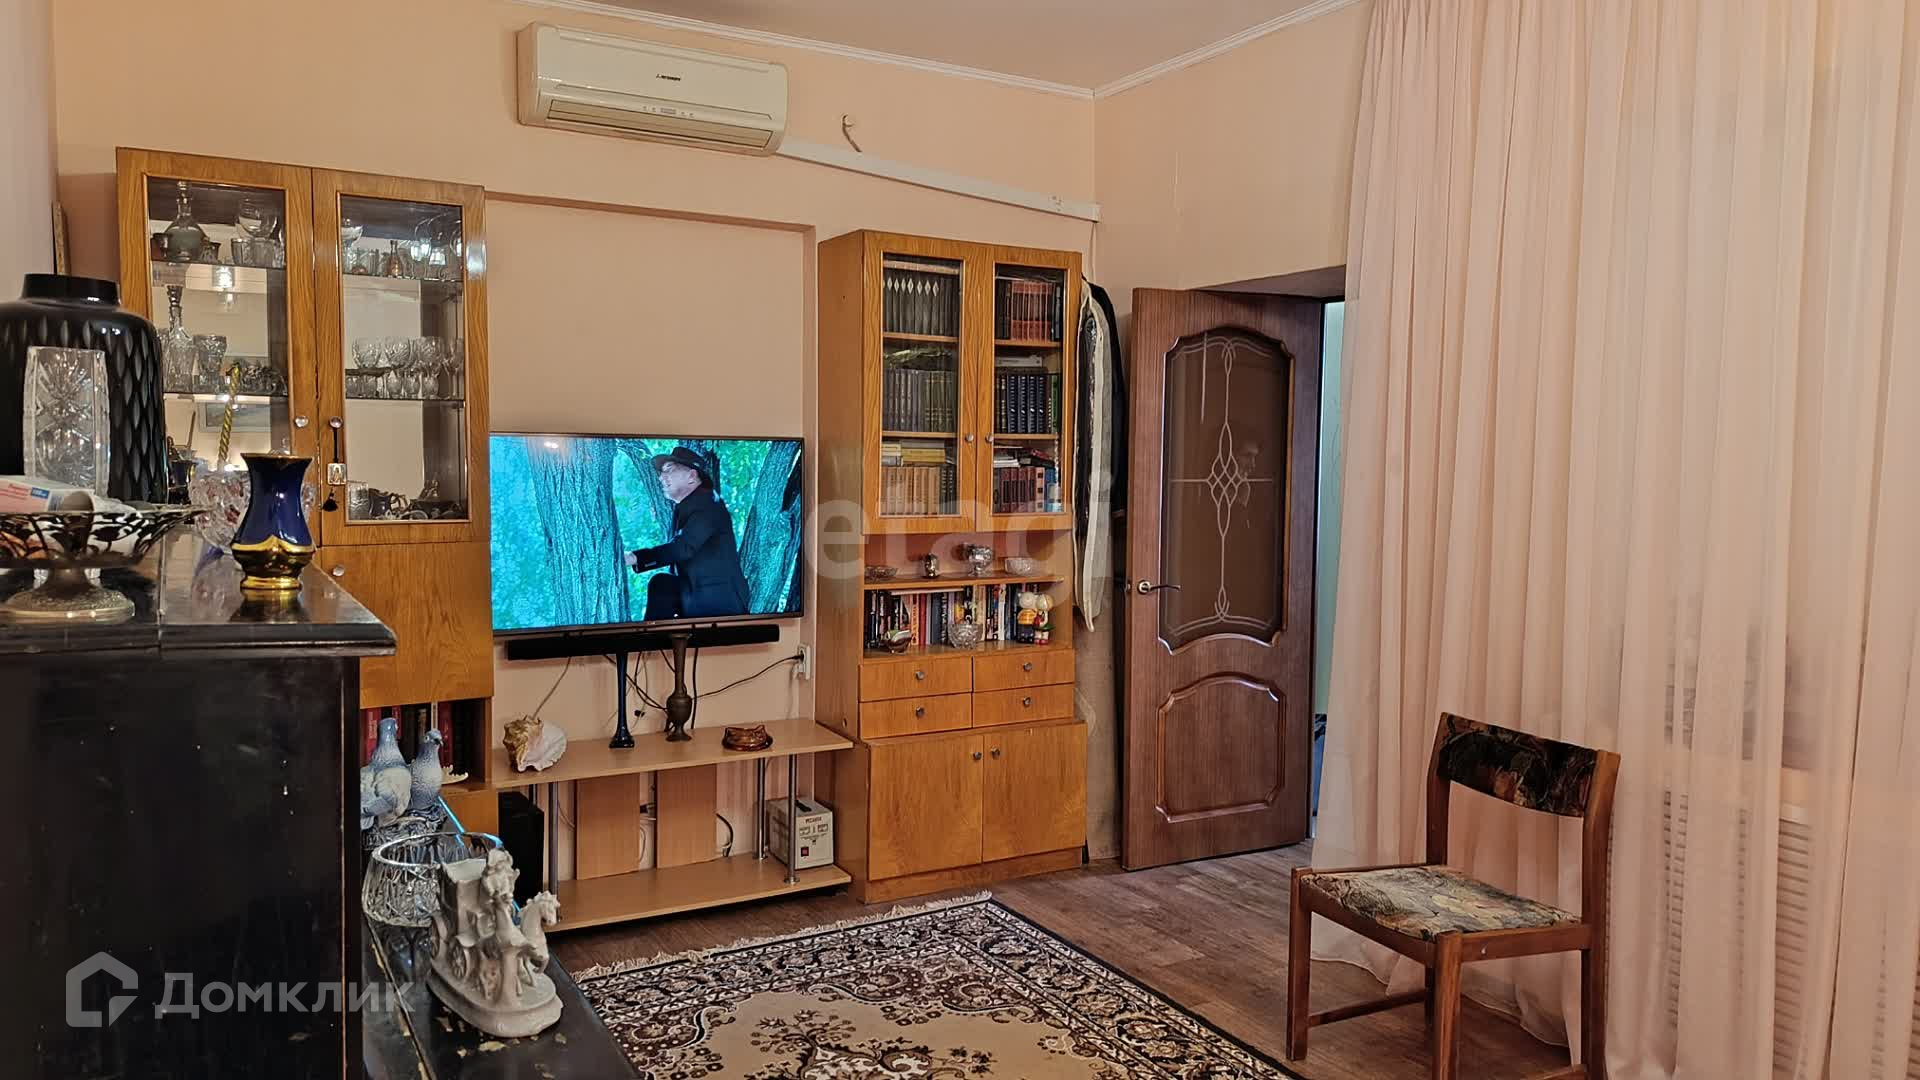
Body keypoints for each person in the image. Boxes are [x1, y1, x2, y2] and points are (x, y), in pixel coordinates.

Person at [626, 446, 750, 620]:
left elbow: (684, 547)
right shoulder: (689, 506)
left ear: (692, 476)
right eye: (661, 473)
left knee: (662, 584)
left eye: (669, 470)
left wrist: (635, 557)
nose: (661, 477)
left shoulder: (708, 504)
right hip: (696, 596)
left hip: (720, 605)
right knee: (662, 584)